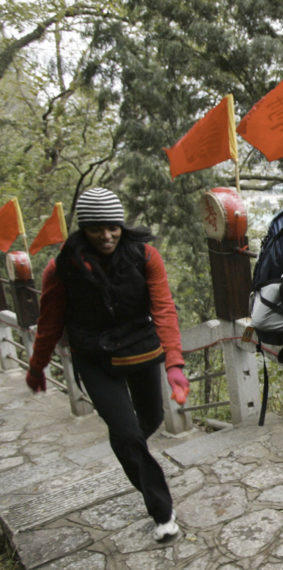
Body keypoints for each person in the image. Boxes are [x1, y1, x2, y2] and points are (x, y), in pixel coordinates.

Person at [25, 187, 191, 543]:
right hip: (94, 359)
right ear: (83, 229)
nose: (106, 235)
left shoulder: (145, 256)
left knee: (147, 423)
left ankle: (128, 446)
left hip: (141, 351)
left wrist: (174, 365)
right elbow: (50, 322)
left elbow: (163, 309)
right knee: (129, 434)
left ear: (122, 225)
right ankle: (162, 511)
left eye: (112, 227)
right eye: (97, 228)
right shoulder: (61, 269)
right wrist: (37, 367)